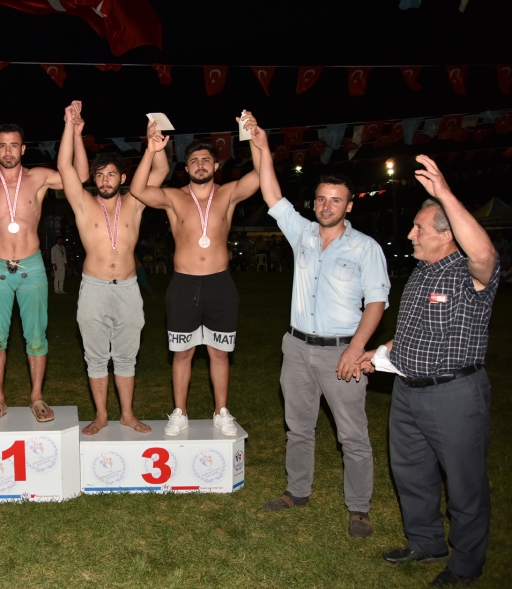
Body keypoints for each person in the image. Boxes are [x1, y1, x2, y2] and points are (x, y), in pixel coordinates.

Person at [358, 156, 500, 586]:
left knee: (464, 484)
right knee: (411, 474)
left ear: (447, 234)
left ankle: (466, 564)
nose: (410, 235)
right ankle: (425, 543)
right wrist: (379, 352)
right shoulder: (422, 272)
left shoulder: (470, 276)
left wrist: (444, 194)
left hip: (453, 395)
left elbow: (485, 253)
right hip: (407, 391)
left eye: (419, 228)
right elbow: (412, 333)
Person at [247, 112, 389, 539]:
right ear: (315, 203)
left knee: (352, 435)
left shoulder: (365, 248)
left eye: (336, 200)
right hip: (296, 348)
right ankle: (297, 491)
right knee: (298, 427)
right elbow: (272, 194)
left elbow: (377, 302)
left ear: (350, 205)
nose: (327, 206)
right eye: (322, 199)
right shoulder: (303, 234)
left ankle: (359, 508)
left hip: (342, 351)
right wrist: (260, 145)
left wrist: (355, 349)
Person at [0, 116, 90, 424]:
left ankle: (37, 397)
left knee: (36, 337)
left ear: (23, 149)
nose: (8, 151)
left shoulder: (39, 177)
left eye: (14, 145)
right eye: (2, 146)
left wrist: (76, 132)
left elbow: (80, 175)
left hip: (32, 267)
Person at [129, 115, 260, 438]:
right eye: (193, 161)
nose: (200, 164)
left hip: (220, 283)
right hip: (184, 284)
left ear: (215, 166)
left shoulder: (228, 193)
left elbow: (260, 176)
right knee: (182, 353)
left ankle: (221, 412)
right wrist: (151, 150)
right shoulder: (174, 197)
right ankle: (180, 412)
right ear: (185, 169)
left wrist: (255, 137)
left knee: (219, 353)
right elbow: (138, 190)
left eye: (205, 160)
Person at [58, 103, 169, 435]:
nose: (104, 180)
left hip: (127, 289)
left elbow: (160, 171)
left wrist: (154, 144)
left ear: (123, 178)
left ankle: (127, 414)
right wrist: (70, 126)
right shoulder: (83, 203)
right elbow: (64, 166)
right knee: (95, 357)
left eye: (110, 174)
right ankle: (102, 415)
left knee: (126, 356)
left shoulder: (135, 201)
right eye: (99, 175)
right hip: (93, 288)